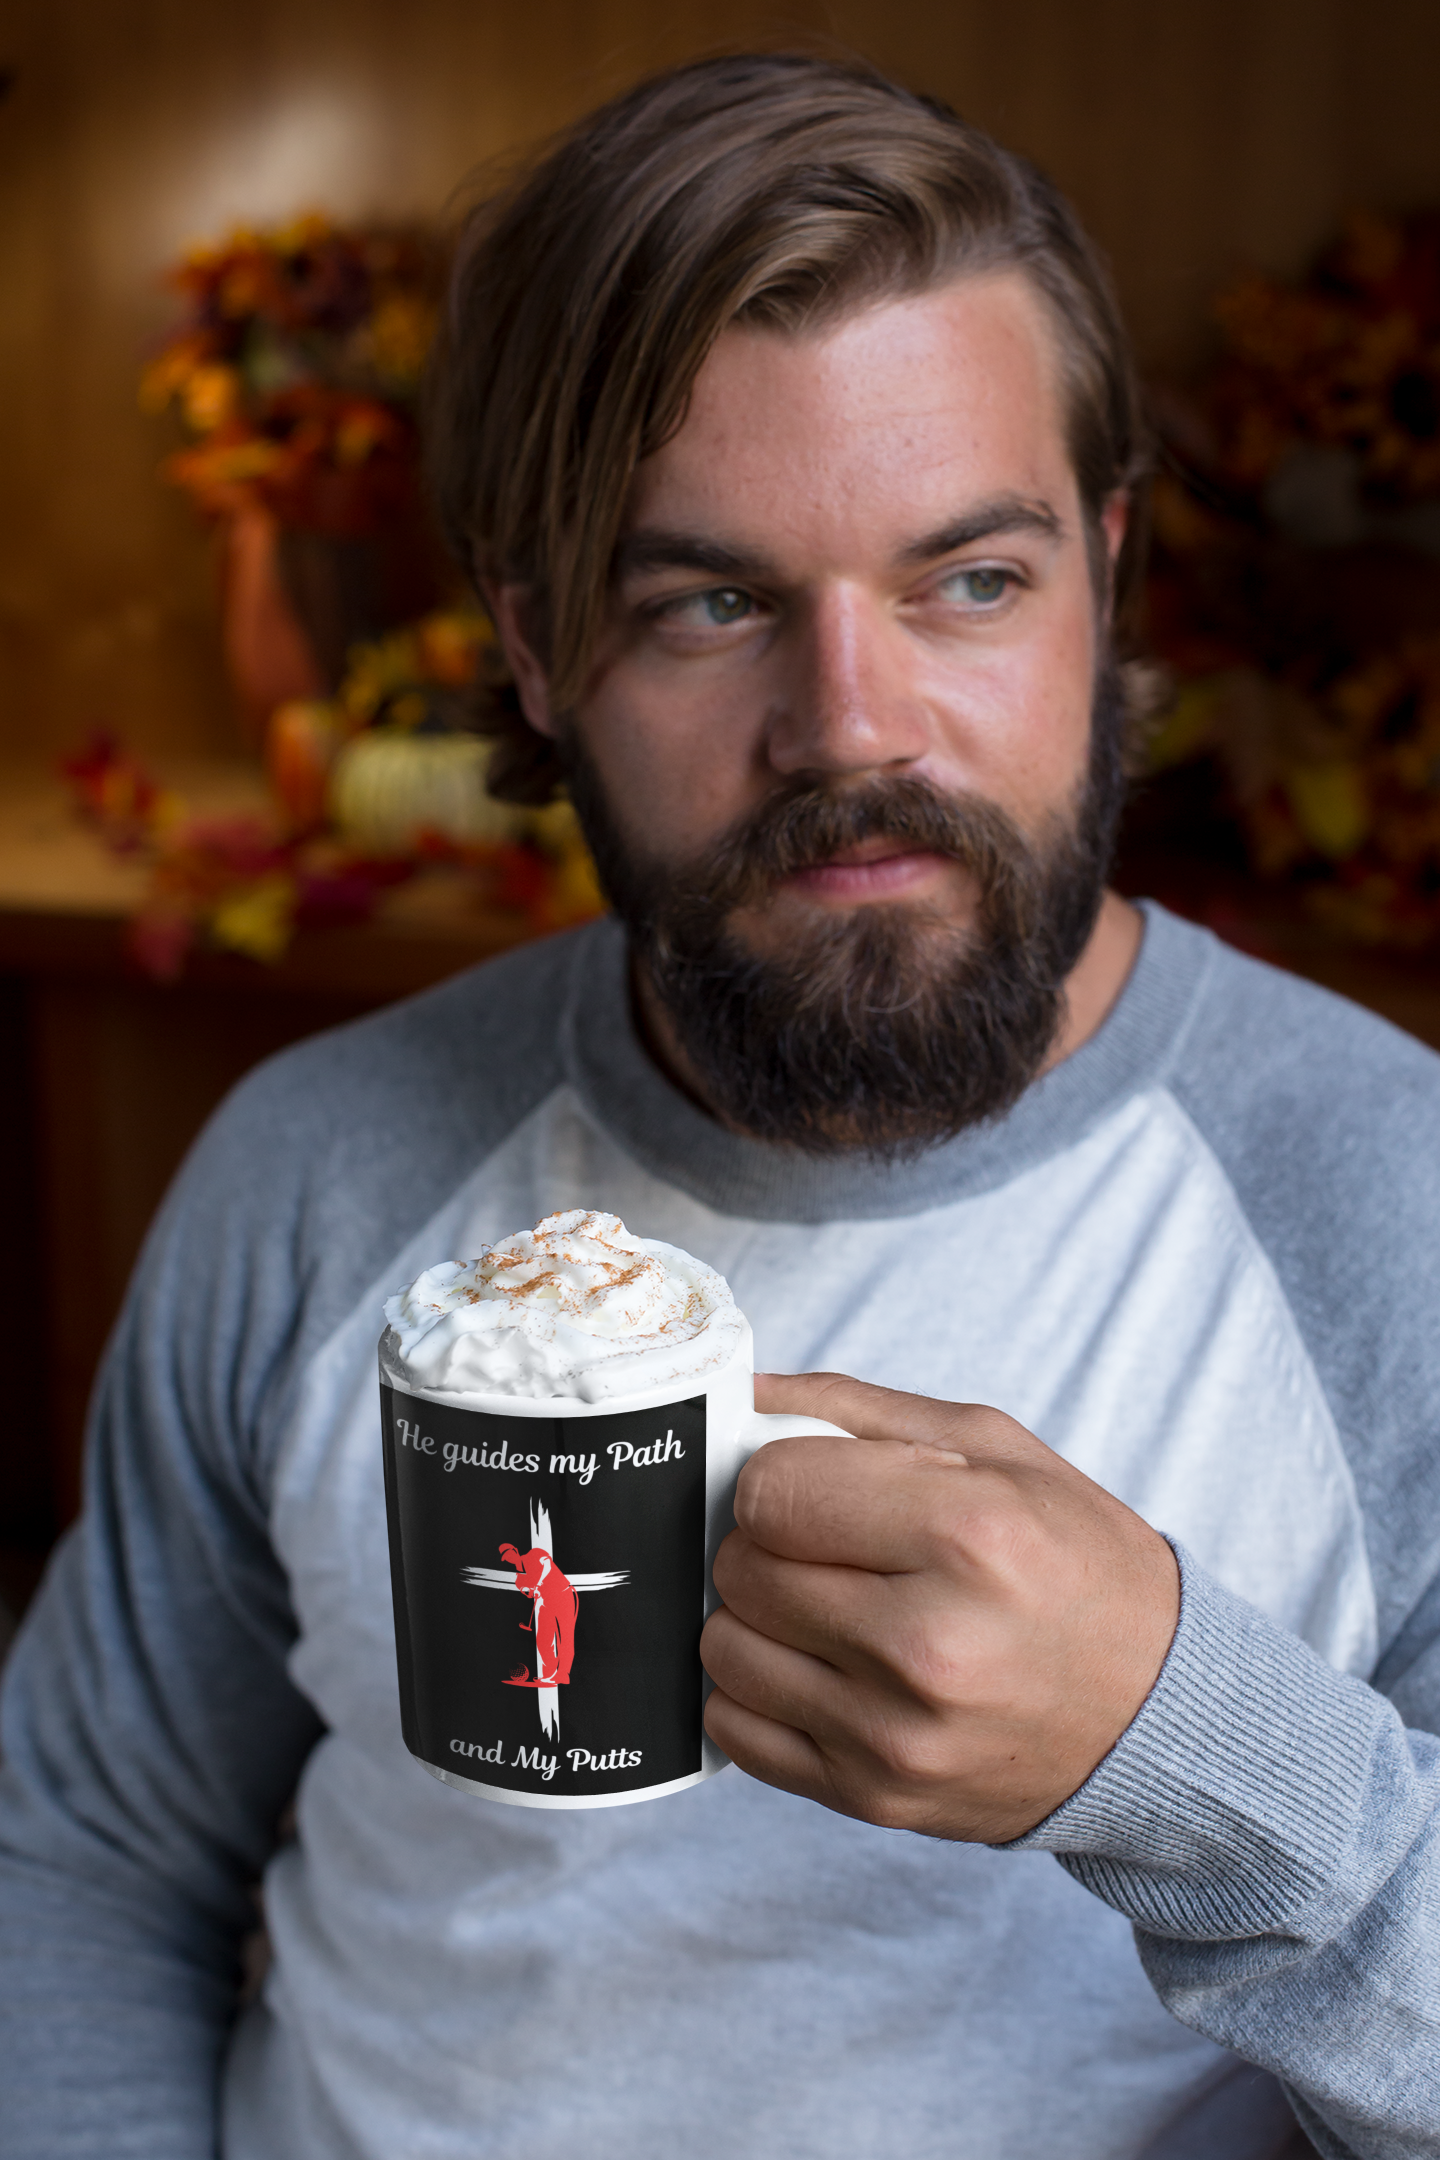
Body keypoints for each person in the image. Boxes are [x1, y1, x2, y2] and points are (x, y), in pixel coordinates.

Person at [2, 51, 1437, 2160]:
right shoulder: (317, 1166)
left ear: (1106, 579)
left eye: (971, 580)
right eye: (709, 601)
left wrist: (1177, 1754)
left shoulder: (1388, 1211)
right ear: (536, 647)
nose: (849, 727)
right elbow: (87, 1864)